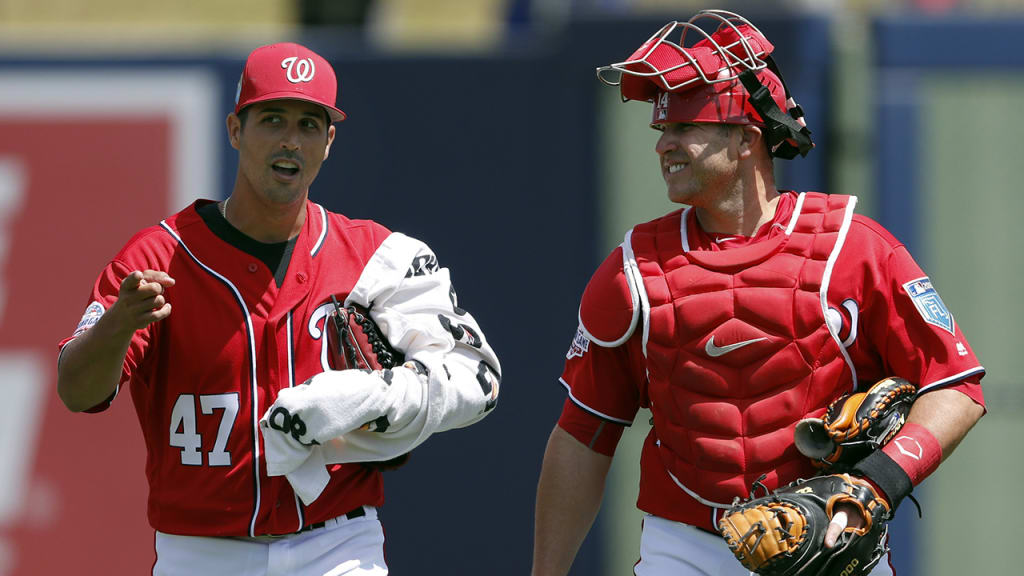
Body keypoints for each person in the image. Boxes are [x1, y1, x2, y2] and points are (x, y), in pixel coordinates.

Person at [531, 10, 984, 576]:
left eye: (684, 129)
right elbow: (583, 434)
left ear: (745, 137)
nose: (663, 146)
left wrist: (876, 485)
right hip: (685, 545)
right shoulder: (632, 272)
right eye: (660, 131)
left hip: (831, 538)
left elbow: (956, 386)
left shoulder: (856, 248)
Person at [57, 42, 500, 576]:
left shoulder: (375, 258)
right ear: (235, 130)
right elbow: (76, 391)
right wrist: (119, 324)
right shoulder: (158, 257)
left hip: (339, 545)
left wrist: (375, 396)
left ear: (329, 142)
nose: (290, 141)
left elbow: (477, 378)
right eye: (272, 119)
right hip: (201, 551)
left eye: (310, 125)